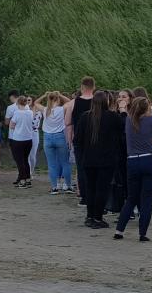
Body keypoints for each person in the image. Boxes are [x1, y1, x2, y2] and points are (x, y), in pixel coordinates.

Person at [114, 97, 152, 242]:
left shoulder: (129, 120)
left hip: (133, 161)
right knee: (146, 199)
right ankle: (142, 233)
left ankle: (119, 230)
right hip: (149, 158)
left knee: (131, 198)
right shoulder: (151, 120)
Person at [75, 91, 123, 229]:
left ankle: (90, 216)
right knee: (102, 189)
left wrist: (83, 154)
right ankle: (97, 216)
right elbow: (122, 131)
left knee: (91, 188)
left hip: (89, 160)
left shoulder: (85, 117)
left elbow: (77, 140)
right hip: (107, 160)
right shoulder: (113, 117)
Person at [66, 77, 96, 205]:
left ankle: (84, 197)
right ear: (93, 87)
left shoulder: (73, 103)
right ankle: (94, 194)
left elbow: (68, 123)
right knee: (95, 167)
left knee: (81, 168)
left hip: (79, 140)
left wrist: (69, 140)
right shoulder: (98, 101)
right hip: (96, 139)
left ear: (82, 87)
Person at [37, 92, 73, 194]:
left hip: (48, 138)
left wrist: (44, 95)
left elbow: (36, 102)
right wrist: (60, 95)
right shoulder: (61, 109)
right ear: (58, 100)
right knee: (65, 163)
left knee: (51, 164)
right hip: (60, 136)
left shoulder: (45, 110)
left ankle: (54, 187)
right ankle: (68, 185)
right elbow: (70, 102)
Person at [8, 97, 35, 188]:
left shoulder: (17, 113)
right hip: (28, 139)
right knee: (25, 160)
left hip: (18, 139)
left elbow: (11, 126)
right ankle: (28, 179)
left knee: (20, 161)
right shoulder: (30, 112)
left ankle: (22, 180)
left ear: (18, 103)